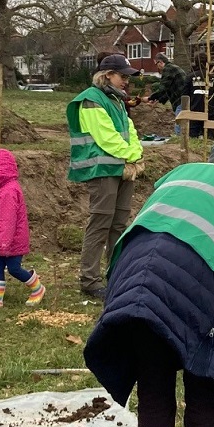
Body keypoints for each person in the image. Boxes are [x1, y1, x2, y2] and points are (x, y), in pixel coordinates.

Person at [83, 162, 214, 427]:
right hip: (199, 294)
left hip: (136, 291)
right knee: (204, 393)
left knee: (153, 392)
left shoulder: (166, 191)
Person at [69, 54, 147, 300]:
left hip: (122, 168)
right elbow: (106, 138)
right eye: (122, 76)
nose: (126, 81)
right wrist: (133, 155)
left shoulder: (116, 100)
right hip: (103, 170)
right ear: (106, 75)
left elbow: (129, 130)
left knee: (119, 224)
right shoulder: (91, 100)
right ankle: (90, 281)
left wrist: (135, 153)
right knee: (100, 224)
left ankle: (116, 274)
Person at [0, 148, 44, 307]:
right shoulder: (4, 189)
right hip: (2, 240)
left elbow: (7, 218)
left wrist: (4, 242)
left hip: (11, 240)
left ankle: (37, 287)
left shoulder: (8, 191)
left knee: (13, 268)